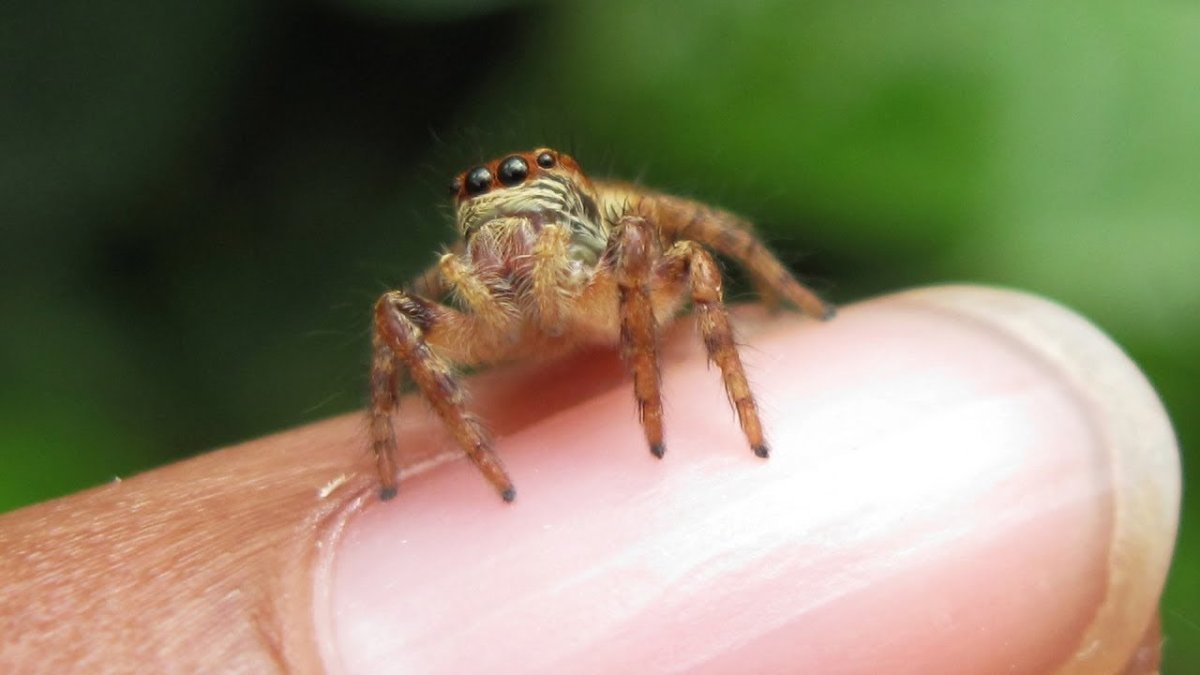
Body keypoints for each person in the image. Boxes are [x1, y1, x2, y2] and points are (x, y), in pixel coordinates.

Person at [0, 287, 1178, 673]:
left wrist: (697, 397)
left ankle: (727, 414)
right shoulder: (465, 280)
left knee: (681, 259)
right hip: (517, 363)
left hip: (624, 314)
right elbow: (401, 324)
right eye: (482, 201)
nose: (505, 218)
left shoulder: (611, 240)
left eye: (528, 193)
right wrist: (425, 452)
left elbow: (686, 235)